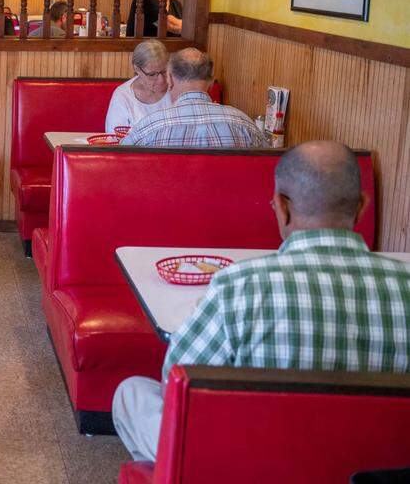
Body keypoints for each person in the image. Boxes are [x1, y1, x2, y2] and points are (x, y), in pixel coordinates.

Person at [112, 140, 410, 463]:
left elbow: (176, 386)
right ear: (362, 206)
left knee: (132, 395)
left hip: (252, 463)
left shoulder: (238, 285)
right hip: (371, 465)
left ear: (282, 207)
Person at [121, 48, 267, 148]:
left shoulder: (150, 127)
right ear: (211, 82)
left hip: (166, 193)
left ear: (170, 79)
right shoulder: (244, 124)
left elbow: (119, 160)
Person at [105, 40, 172, 132]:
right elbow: (114, 137)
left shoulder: (177, 88)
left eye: (164, 71)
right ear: (137, 69)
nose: (161, 80)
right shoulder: (123, 95)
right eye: (152, 74)